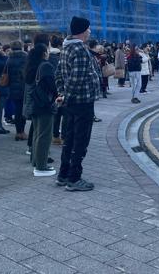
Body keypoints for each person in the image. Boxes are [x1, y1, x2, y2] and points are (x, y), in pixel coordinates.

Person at [54, 16, 101, 192]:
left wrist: (62, 93)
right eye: (88, 29)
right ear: (82, 31)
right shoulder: (80, 48)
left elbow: (58, 73)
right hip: (81, 101)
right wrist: (67, 95)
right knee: (80, 140)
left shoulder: (66, 47)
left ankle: (63, 175)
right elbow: (77, 78)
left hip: (71, 102)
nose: (90, 31)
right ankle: (74, 178)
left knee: (69, 138)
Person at [30, 44, 57, 177]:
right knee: (44, 136)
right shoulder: (46, 66)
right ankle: (41, 166)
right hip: (45, 104)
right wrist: (58, 93)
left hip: (37, 104)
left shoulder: (36, 65)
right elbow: (51, 84)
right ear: (44, 53)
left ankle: (36, 162)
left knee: (37, 134)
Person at [24, 43, 47, 155]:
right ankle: (36, 151)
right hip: (38, 101)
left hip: (31, 100)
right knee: (39, 128)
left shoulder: (30, 65)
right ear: (43, 54)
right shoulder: (42, 66)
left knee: (35, 126)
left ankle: (31, 147)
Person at [7, 40, 28, 140]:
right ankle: (22, 132)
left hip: (12, 87)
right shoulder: (25, 57)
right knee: (22, 110)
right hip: (23, 87)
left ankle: (17, 131)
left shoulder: (9, 58)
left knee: (17, 110)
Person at [49, 35, 64, 145]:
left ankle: (55, 135)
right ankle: (63, 136)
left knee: (56, 114)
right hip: (61, 89)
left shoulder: (47, 56)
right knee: (65, 113)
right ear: (60, 45)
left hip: (50, 89)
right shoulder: (62, 57)